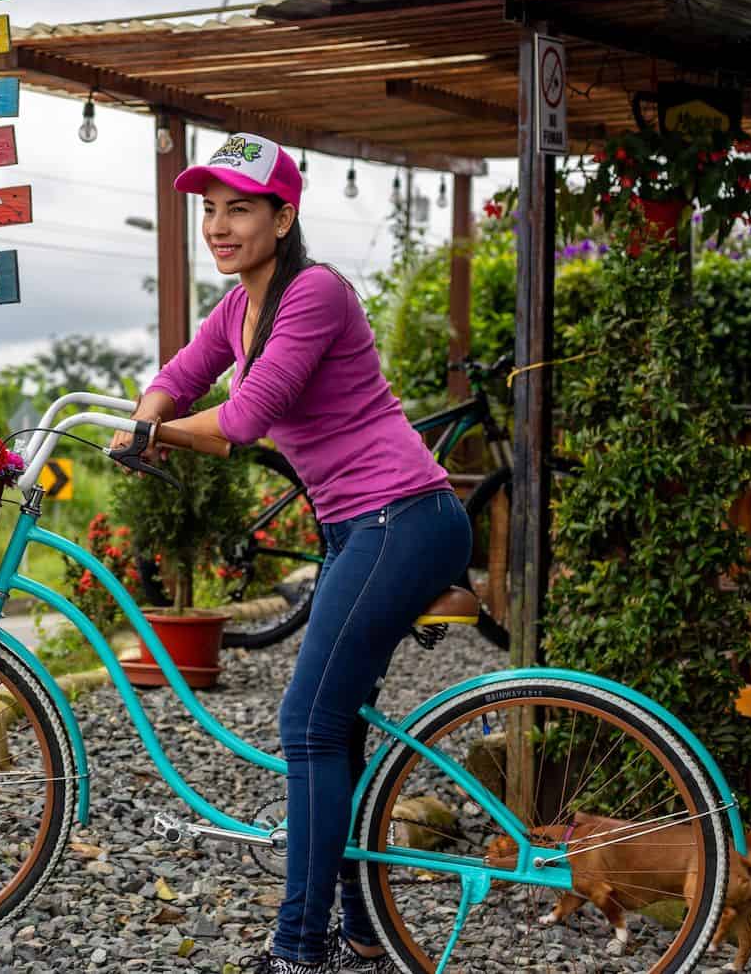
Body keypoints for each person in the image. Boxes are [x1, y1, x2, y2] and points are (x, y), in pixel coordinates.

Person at [111, 132, 471, 973]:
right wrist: (147, 410)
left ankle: (299, 948)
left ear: (284, 213)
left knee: (306, 722)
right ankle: (361, 931)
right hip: (363, 526)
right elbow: (188, 369)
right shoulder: (240, 305)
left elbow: (243, 418)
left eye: (240, 208)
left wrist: (155, 431)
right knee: (333, 728)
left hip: (402, 516)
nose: (219, 225)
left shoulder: (314, 293)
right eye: (209, 209)